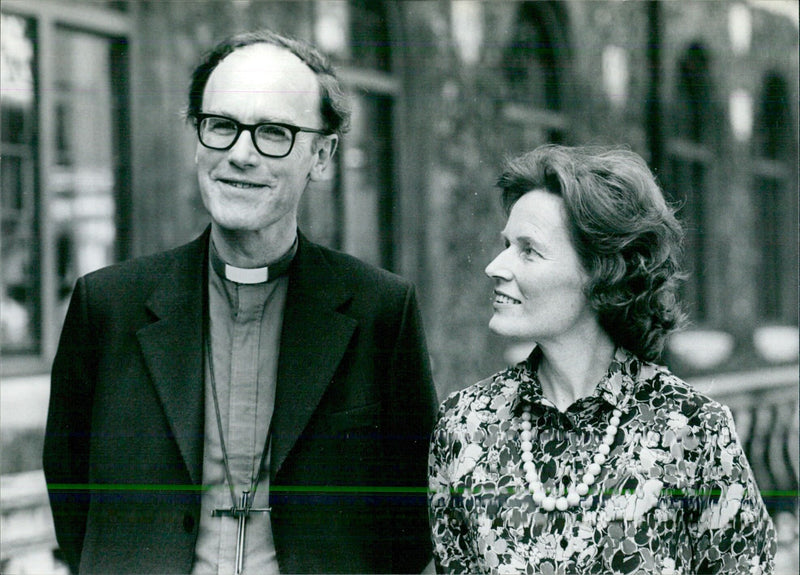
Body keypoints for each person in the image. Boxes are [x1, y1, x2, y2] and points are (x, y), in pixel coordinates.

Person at [43, 29, 438, 575]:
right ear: (197, 138)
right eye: (221, 127)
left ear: (321, 156)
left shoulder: (380, 312)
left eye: (273, 133)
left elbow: (408, 520)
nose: (240, 155)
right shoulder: (107, 305)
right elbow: (71, 493)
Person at [428, 145, 776, 574]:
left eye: (528, 250)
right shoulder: (465, 425)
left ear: (599, 271)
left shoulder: (691, 430)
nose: (495, 266)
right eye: (505, 244)